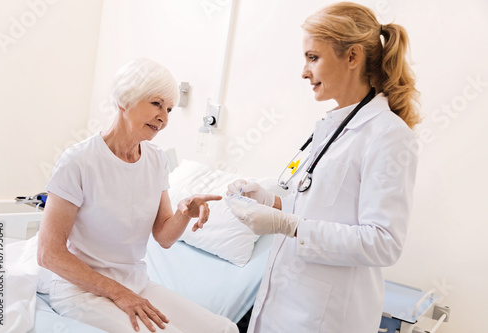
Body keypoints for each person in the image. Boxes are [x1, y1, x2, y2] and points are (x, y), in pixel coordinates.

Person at [227, 2, 420, 333]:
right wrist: (269, 201)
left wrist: (287, 224)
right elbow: (318, 208)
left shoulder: (389, 136)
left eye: (312, 57)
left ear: (352, 57)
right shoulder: (332, 126)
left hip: (327, 318)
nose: (303, 71)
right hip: (287, 305)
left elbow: (383, 242)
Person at [37, 58, 239, 333]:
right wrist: (119, 294)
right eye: (156, 104)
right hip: (80, 289)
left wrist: (183, 213)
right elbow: (49, 254)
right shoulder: (78, 161)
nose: (164, 118)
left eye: (169, 109)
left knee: (223, 329)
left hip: (135, 282)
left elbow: (164, 237)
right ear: (124, 99)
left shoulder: (156, 160)